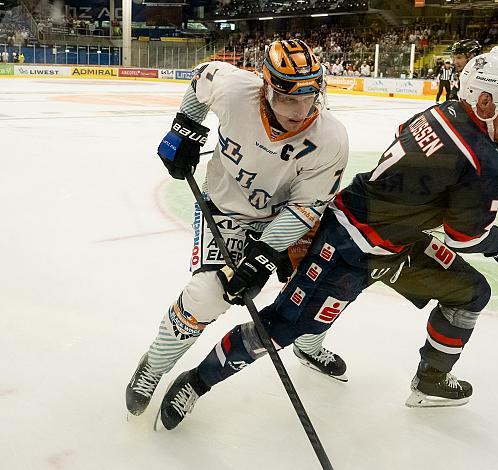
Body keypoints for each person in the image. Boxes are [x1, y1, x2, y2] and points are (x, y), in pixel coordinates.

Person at [154, 48, 498, 430]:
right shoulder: (481, 161)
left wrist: (490, 150)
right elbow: (465, 237)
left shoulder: (441, 113)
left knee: (469, 292)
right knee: (283, 323)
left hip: (396, 243)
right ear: (487, 101)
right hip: (349, 243)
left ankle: (431, 381)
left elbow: (410, 145)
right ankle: (196, 382)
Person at [125, 39, 350, 418]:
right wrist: (184, 128)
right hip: (226, 209)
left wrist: (261, 256)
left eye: (309, 98)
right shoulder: (233, 90)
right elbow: (200, 81)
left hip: (286, 218)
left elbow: (304, 209)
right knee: (207, 294)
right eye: (288, 99)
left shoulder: (331, 138)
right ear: (266, 88)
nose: (300, 112)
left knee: (324, 286)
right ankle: (155, 365)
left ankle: (308, 345)